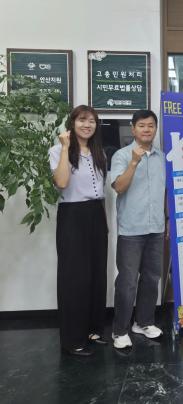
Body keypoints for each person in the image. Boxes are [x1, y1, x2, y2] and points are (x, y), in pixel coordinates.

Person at [49, 105, 108, 356]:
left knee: (96, 274)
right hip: (73, 215)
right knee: (74, 278)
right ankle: (73, 340)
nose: (87, 125)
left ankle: (93, 330)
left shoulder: (98, 152)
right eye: (82, 120)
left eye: (92, 121)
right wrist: (65, 147)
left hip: (97, 214)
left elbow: (101, 189)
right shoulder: (57, 150)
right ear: (72, 123)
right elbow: (62, 182)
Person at [110, 110, 166, 349]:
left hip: (156, 228)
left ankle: (143, 322)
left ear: (155, 129)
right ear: (133, 129)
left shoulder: (162, 157)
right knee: (128, 282)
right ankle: (120, 330)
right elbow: (119, 187)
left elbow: (164, 191)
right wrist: (134, 162)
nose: (146, 129)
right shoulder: (121, 155)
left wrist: (167, 220)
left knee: (152, 278)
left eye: (151, 125)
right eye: (141, 125)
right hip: (131, 230)